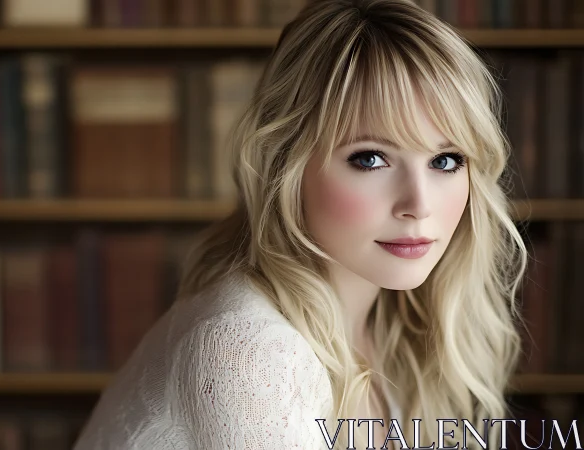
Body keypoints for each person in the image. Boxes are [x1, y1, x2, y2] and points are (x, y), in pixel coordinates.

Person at [73, 0, 527, 448]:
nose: (419, 205)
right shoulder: (250, 353)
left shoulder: (394, 331)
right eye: (370, 159)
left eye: (446, 160)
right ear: (286, 162)